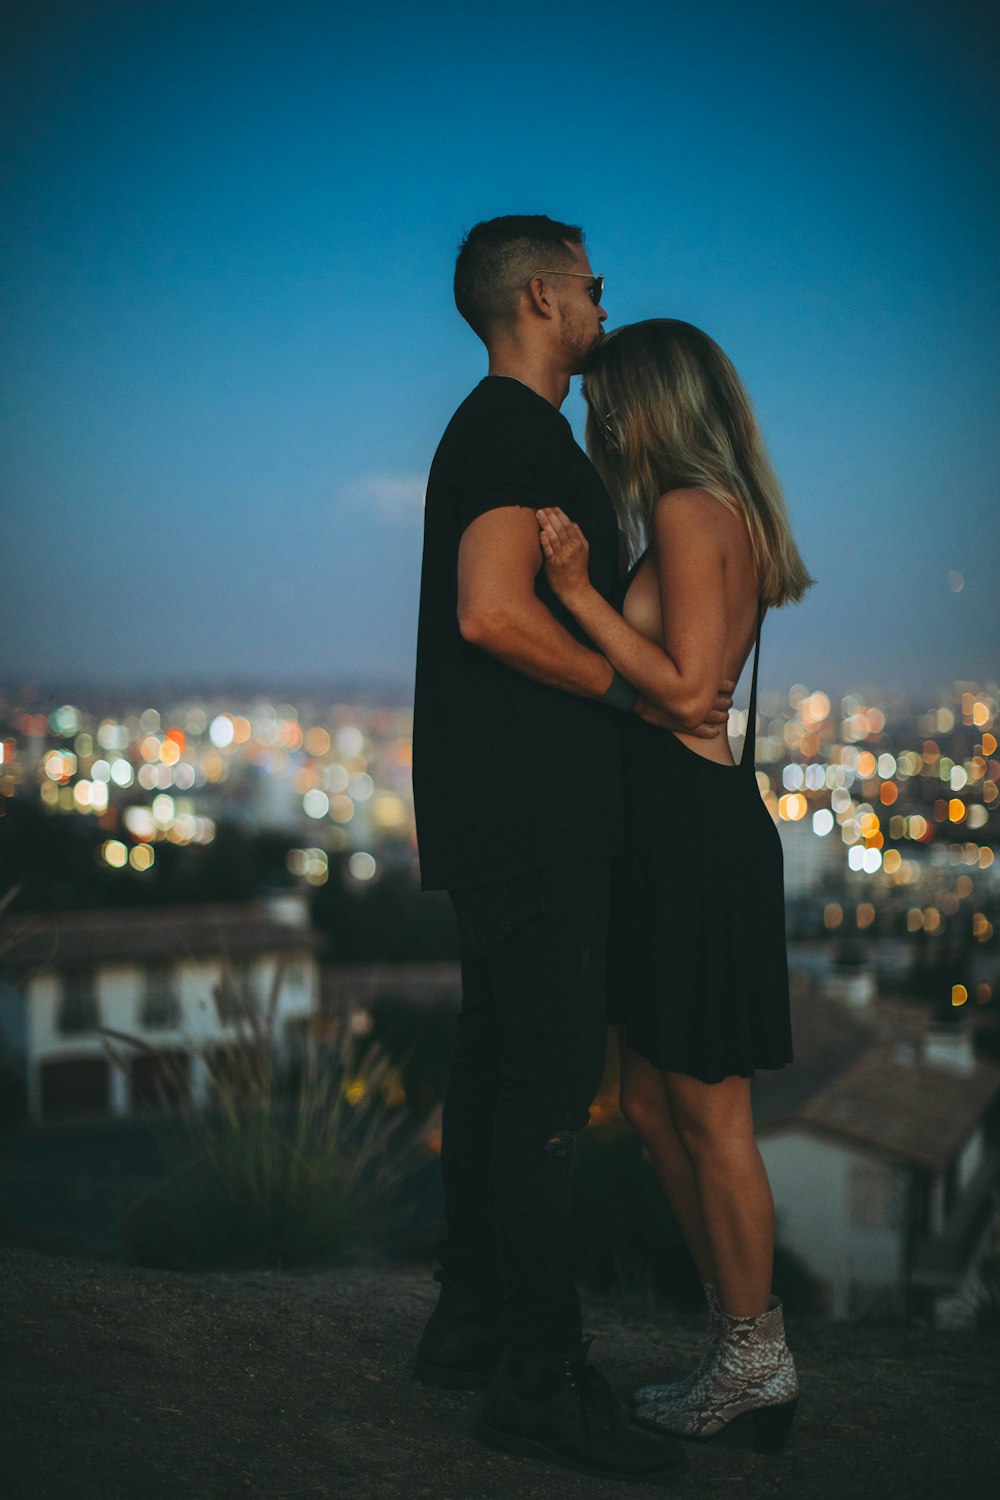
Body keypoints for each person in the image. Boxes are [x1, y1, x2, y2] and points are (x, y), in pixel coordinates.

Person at [410, 220, 734, 1483]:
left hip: (497, 813)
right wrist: (621, 693)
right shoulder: (511, 431)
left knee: (496, 1070)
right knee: (543, 1097)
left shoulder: (495, 430)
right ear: (543, 296)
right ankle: (538, 1384)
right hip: (538, 817)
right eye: (593, 285)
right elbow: (491, 610)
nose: (605, 302)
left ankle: (472, 1321)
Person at [535, 317, 813, 1454]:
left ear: (654, 401)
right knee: (650, 1106)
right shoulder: (690, 513)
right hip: (667, 843)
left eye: (611, 400)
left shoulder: (698, 512)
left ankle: (758, 1360)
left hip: (695, 842)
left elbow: (689, 692)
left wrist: (574, 590)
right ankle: (734, 1344)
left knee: (709, 1115)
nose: (598, 418)